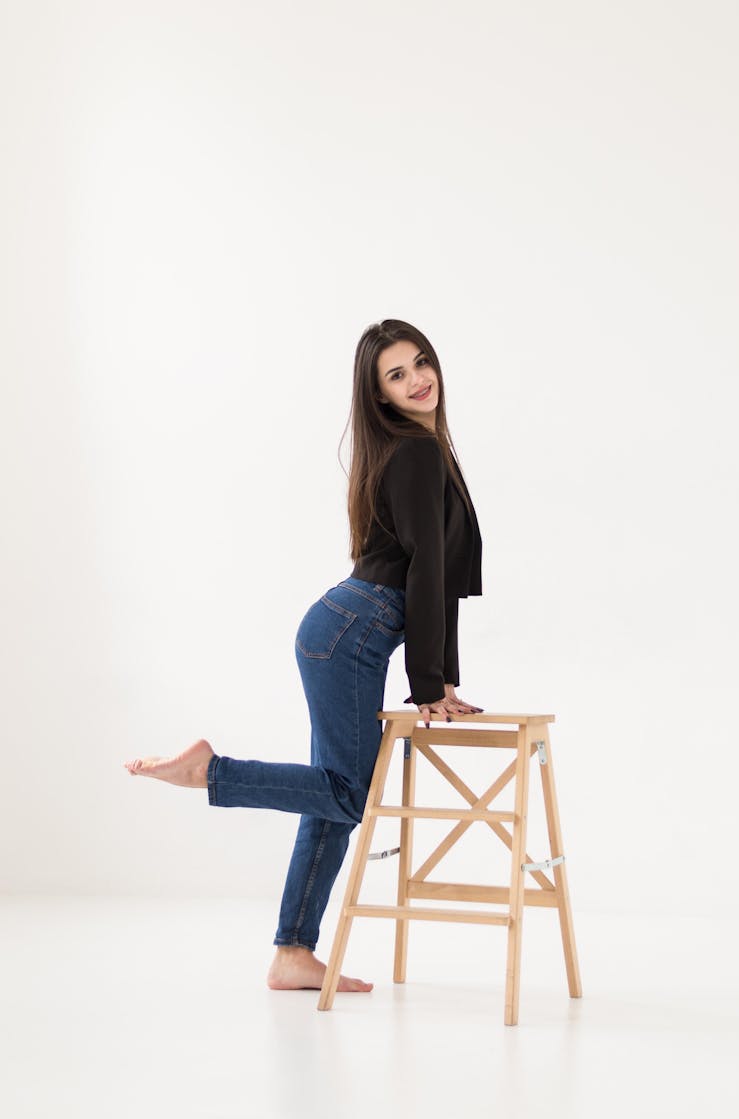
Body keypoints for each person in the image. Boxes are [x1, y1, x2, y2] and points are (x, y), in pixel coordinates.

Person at [124, 318, 484, 993]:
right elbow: (425, 574)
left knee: (334, 795)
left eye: (420, 362)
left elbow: (443, 579)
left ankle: (293, 951)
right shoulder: (416, 453)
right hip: (352, 632)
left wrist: (446, 678)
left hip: (346, 629)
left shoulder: (426, 451)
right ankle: (212, 773)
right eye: (396, 375)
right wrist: (427, 680)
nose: (416, 379)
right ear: (379, 396)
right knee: (349, 794)